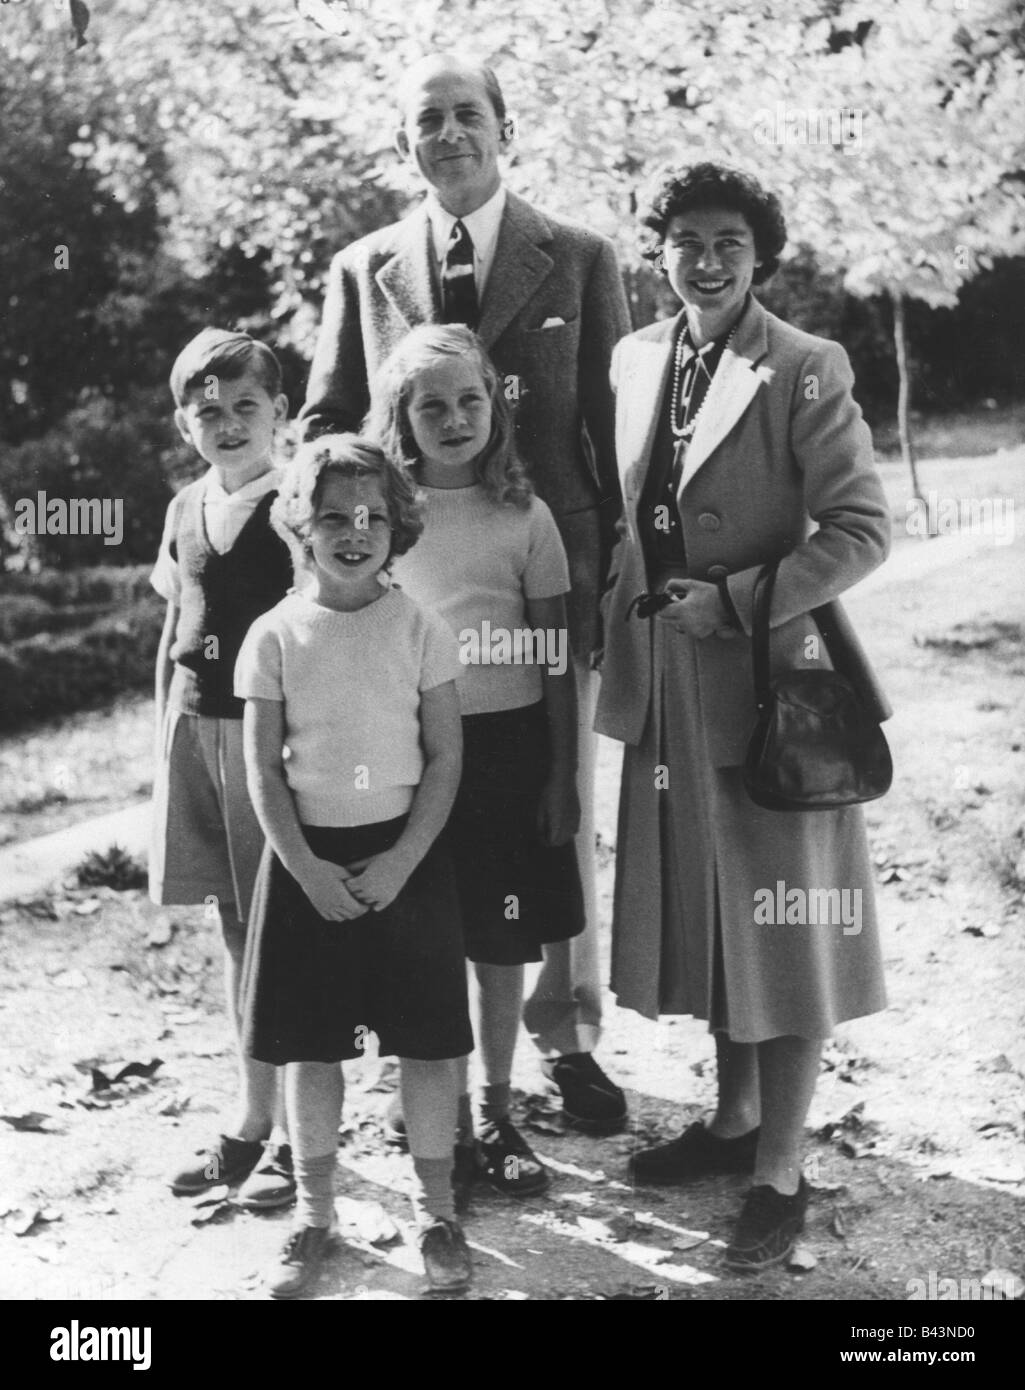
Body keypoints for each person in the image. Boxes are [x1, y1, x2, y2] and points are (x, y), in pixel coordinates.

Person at [300, 53, 630, 1129]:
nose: (448, 133)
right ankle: (431, 1036)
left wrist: (619, 578)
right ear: (406, 143)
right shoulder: (362, 269)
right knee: (417, 810)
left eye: (467, 114)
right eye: (427, 120)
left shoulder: (577, 259)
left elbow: (614, 433)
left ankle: (565, 1036)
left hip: (540, 585)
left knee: (549, 810)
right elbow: (322, 420)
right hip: (406, 606)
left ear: (503, 127)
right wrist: (336, 540)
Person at [596, 163, 891, 1271]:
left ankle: (778, 1168)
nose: (705, 259)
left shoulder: (804, 365)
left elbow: (859, 530)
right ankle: (729, 1123)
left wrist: (731, 601)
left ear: (758, 254)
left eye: (727, 241)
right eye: (684, 239)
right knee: (715, 918)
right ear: (657, 250)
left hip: (774, 686)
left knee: (786, 924)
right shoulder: (635, 358)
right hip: (667, 680)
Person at [235, 435, 474, 1297]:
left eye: (372, 515)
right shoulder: (273, 636)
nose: (353, 531)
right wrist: (304, 867)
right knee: (310, 1046)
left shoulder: (421, 628)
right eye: (332, 516)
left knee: (426, 1043)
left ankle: (438, 1213)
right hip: (309, 867)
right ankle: (314, 1215)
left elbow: (445, 759)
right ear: (299, 526)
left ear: (399, 524)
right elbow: (262, 770)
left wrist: (405, 858)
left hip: (405, 860)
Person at [369, 323, 585, 1198]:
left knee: (501, 941)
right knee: (429, 939)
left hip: (509, 754)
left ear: (496, 405)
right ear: (401, 417)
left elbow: (560, 660)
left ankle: (497, 1107)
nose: (454, 418)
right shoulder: (382, 520)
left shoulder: (524, 518)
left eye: (470, 400)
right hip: (415, 757)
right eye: (431, 406)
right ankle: (440, 1113)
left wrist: (562, 776)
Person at [150, 327, 295, 1212]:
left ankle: (297, 1139)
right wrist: (164, 728)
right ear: (184, 425)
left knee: (289, 935)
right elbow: (176, 631)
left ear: (280, 412)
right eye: (210, 412)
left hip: (271, 746)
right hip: (197, 732)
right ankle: (252, 1117)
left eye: (247, 407)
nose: (230, 423)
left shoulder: (300, 503)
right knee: (236, 928)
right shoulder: (183, 508)